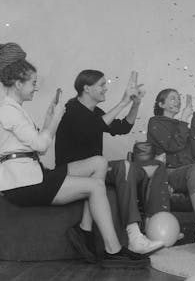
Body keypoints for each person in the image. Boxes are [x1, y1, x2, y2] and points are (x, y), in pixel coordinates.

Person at [0, 43, 148, 268]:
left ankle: (84, 230)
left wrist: (50, 117)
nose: (36, 88)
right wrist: (57, 117)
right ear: (18, 83)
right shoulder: (8, 109)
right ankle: (112, 249)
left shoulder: (15, 108)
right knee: (96, 187)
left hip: (32, 175)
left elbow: (39, 146)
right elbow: (41, 145)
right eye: (32, 83)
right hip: (22, 184)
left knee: (99, 162)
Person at [55, 70, 164, 255]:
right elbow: (92, 128)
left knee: (127, 166)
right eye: (102, 85)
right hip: (71, 171)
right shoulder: (71, 109)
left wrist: (135, 104)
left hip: (96, 169)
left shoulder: (95, 111)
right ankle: (130, 236)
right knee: (119, 165)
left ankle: (135, 236)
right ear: (87, 88)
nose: (106, 89)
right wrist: (123, 102)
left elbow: (122, 127)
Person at [147, 89, 195, 247]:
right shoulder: (155, 122)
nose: (178, 101)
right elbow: (172, 146)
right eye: (172, 98)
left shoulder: (181, 126)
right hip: (170, 172)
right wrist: (183, 119)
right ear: (161, 104)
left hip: (190, 170)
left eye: (178, 99)